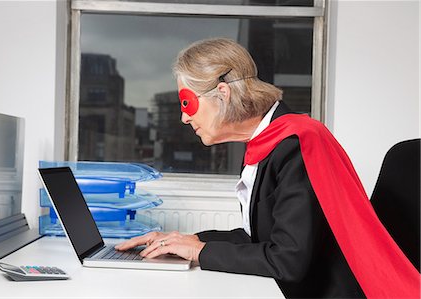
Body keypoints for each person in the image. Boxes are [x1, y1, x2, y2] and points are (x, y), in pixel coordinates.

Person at [116, 38, 419, 298]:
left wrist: (198, 252)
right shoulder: (268, 142)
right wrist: (189, 240)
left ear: (223, 94)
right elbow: (266, 239)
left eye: (187, 104)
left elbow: (288, 260)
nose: (184, 118)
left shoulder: (297, 143)